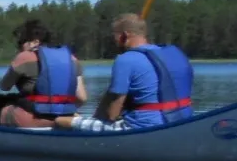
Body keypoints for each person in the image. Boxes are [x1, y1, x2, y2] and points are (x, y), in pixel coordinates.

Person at [63, 13, 194, 132]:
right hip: (179, 122)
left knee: (63, 120)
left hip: (141, 128)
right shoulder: (174, 53)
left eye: (114, 36)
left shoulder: (125, 59)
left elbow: (111, 115)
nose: (113, 41)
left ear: (124, 35)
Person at [0, 19, 88, 128]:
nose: (19, 48)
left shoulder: (24, 57)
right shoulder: (71, 59)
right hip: (68, 116)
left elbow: (4, 86)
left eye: (21, 43)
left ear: (35, 42)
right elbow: (81, 98)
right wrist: (61, 111)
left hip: (33, 118)